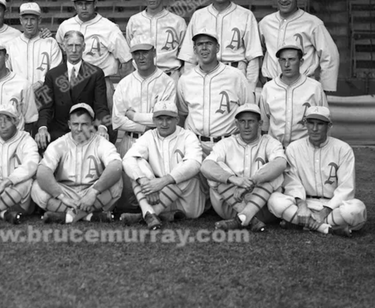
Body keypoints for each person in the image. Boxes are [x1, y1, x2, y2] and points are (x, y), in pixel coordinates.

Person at [268, 107, 367, 237]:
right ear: (305, 124)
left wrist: (324, 212)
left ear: (329, 125)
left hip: (333, 206)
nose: (314, 128)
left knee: (356, 210)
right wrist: (302, 205)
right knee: (275, 200)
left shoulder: (343, 149)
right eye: (311, 123)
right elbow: (292, 182)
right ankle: (327, 228)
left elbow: (346, 188)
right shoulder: (294, 148)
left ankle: (299, 223)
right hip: (303, 204)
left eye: (320, 124)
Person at [31, 103, 123, 224]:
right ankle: (88, 216)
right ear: (69, 125)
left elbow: (115, 166)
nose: (79, 128)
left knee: (117, 182)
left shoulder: (101, 142)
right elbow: (43, 171)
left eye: (84, 124)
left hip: (92, 191)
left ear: (92, 124)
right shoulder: (59, 144)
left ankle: (67, 216)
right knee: (37, 188)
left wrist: (93, 192)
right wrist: (62, 197)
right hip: (66, 192)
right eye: (75, 124)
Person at [201, 104, 287, 232]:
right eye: (242, 121)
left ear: (260, 123)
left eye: (251, 121)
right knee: (216, 170)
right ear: (236, 123)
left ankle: (242, 218)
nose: (246, 126)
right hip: (232, 205)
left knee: (275, 172)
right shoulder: (226, 143)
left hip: (262, 206)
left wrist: (251, 181)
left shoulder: (270, 142)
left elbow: (280, 164)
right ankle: (249, 218)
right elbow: (205, 166)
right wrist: (232, 179)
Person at [121, 101, 206, 230]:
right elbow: (128, 159)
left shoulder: (188, 135)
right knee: (136, 168)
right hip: (160, 198)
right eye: (160, 119)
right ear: (154, 120)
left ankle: (145, 213)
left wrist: (162, 182)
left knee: (183, 173)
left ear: (177, 119)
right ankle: (154, 215)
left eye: (169, 119)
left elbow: (194, 164)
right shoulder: (149, 135)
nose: (164, 123)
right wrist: (145, 182)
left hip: (188, 203)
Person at [178, 0, 263, 91]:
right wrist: (191, 82)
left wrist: (250, 88)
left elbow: (253, 56)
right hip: (204, 74)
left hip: (235, 72)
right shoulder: (199, 15)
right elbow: (189, 57)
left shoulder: (246, 15)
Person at [177, 28, 252, 157]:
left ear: (217, 48)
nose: (204, 48)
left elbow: (249, 109)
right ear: (194, 50)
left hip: (228, 144)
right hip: (195, 145)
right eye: (200, 44)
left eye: (209, 43)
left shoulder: (236, 76)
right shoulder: (185, 79)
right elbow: (182, 113)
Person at [259, 0, 339, 92]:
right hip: (271, 86)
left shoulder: (313, 23)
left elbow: (330, 55)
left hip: (303, 87)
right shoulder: (265, 22)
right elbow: (256, 52)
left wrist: (325, 89)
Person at [55, 0, 132, 108]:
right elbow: (59, 51)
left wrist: (124, 91)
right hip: (71, 81)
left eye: (88, 3)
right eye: (80, 4)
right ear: (75, 5)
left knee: (104, 122)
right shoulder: (65, 26)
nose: (84, 7)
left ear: (95, 4)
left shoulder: (109, 27)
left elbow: (126, 61)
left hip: (101, 82)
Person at [35, 31, 112, 149]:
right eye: (70, 45)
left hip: (86, 132)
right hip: (59, 133)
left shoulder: (96, 73)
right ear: (64, 47)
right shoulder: (52, 74)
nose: (74, 50)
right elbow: (46, 107)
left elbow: (100, 106)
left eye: (78, 46)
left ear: (84, 47)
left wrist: (102, 128)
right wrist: (42, 128)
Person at [112, 37, 177, 157]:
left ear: (154, 52)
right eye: (137, 53)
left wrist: (133, 116)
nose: (141, 57)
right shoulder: (124, 83)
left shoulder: (167, 82)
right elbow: (117, 121)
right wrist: (143, 128)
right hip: (129, 142)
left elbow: (164, 119)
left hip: (158, 143)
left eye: (145, 52)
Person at [258, 45, 327, 147]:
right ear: (279, 62)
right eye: (283, 60)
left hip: (305, 149)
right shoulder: (269, 88)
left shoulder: (315, 87)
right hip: (276, 149)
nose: (286, 64)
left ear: (301, 62)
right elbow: (264, 125)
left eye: (291, 60)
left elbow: (325, 121)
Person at [126, 0, 187, 85]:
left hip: (169, 75)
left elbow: (186, 55)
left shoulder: (178, 21)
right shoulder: (134, 21)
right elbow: (129, 52)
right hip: (141, 77)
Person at [5, 2, 62, 93]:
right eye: (25, 19)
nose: (29, 23)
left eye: (32, 19)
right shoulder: (11, 45)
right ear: (21, 20)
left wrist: (41, 83)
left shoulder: (50, 43)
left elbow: (56, 70)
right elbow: (6, 71)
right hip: (18, 93)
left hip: (45, 93)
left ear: (39, 20)